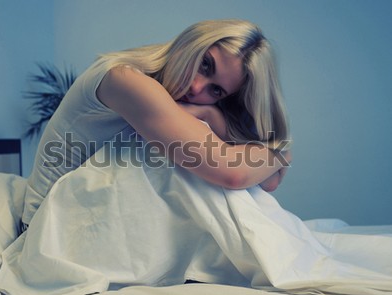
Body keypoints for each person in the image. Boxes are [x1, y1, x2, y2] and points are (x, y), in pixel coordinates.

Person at [21, 19, 291, 228]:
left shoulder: (182, 102)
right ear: (192, 43)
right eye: (205, 65)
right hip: (47, 226)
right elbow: (234, 173)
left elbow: (267, 183)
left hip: (83, 217)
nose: (197, 88)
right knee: (176, 162)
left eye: (216, 91)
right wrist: (281, 153)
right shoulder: (124, 78)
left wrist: (213, 116)